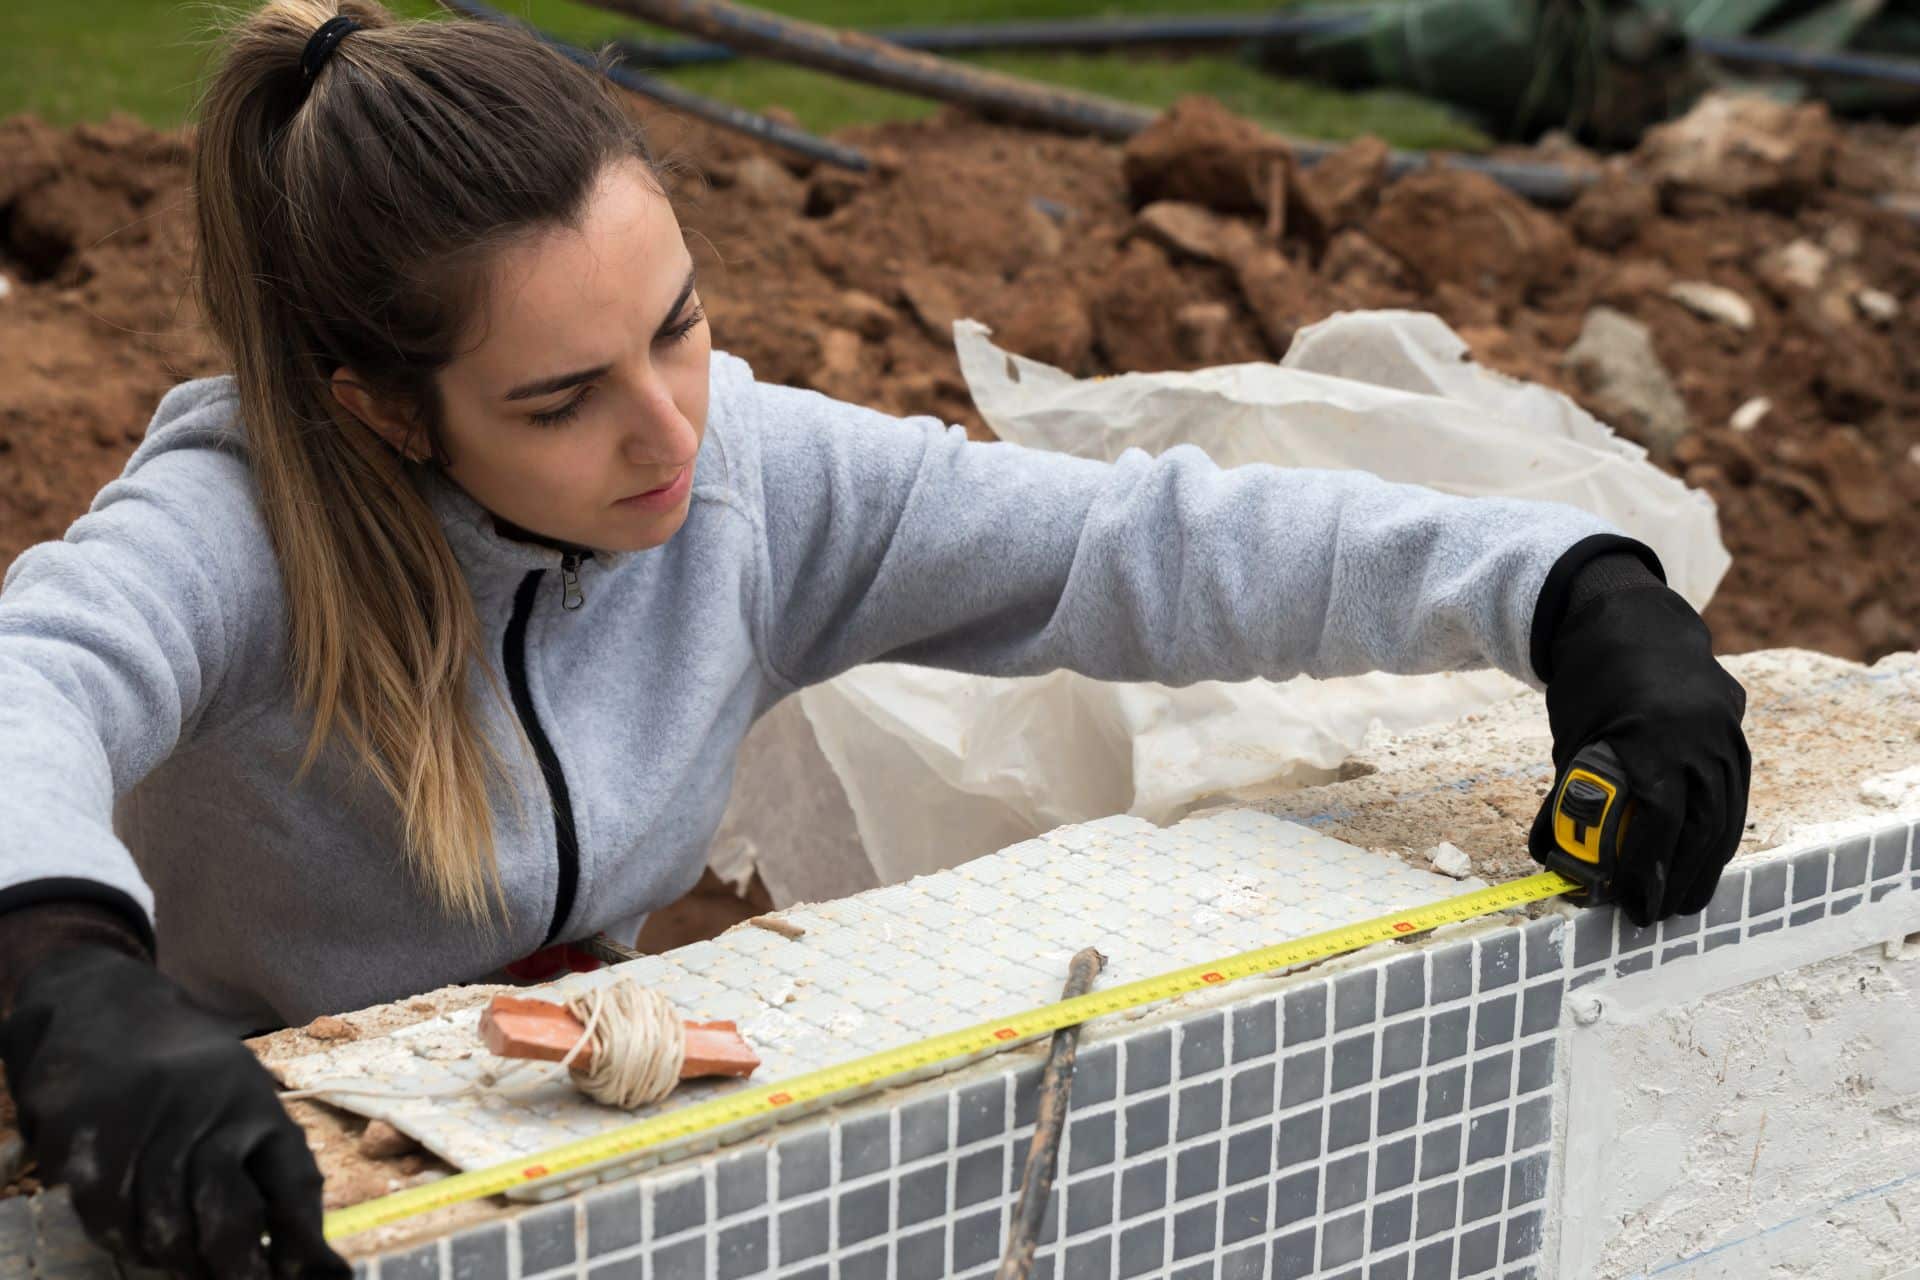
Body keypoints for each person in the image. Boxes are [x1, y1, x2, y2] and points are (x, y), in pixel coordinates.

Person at [0, 2, 1750, 1275]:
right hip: (236, 1174)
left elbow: (1131, 544)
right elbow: (33, 680)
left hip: (560, 1119)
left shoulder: (742, 478)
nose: (669, 436)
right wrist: (71, 977)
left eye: (678, 329)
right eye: (561, 399)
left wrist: (1567, 593)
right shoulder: (242, 529)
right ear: (378, 409)